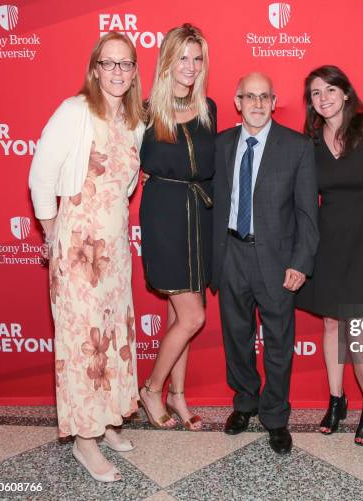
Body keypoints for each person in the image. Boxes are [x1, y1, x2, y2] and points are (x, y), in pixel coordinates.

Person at [28, 32, 145, 482]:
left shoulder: (134, 119)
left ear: (134, 73)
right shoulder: (74, 112)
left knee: (114, 335)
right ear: (95, 68)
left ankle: (110, 417)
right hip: (77, 248)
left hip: (114, 250)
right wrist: (51, 229)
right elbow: (41, 174)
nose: (117, 72)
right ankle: (85, 439)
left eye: (126, 64)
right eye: (109, 63)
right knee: (83, 344)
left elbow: (127, 185)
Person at [210, 72, 319, 454]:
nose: (256, 104)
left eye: (264, 97)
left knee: (278, 343)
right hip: (231, 253)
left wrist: (301, 262)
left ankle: (274, 416)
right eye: (249, 97)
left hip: (277, 260)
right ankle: (245, 403)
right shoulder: (221, 143)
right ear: (237, 102)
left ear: (274, 102)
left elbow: (308, 213)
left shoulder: (297, 147)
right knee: (236, 337)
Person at [295, 65, 363, 445]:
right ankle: (337, 400)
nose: (323, 98)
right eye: (315, 93)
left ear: (345, 92)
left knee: (360, 332)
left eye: (329, 90)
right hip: (329, 244)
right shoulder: (309, 142)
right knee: (330, 325)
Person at [138, 24, 216, 431]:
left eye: (197, 57)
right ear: (168, 60)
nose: (190, 66)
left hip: (200, 216)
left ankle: (178, 396)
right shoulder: (146, 111)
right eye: (183, 57)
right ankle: (151, 388)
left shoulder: (209, 110)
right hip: (164, 217)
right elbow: (119, 162)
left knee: (178, 317)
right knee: (192, 316)